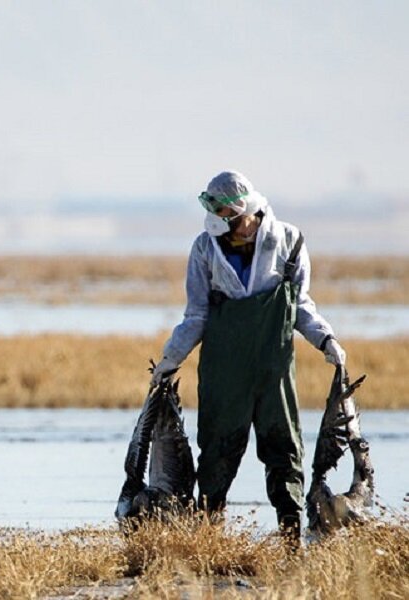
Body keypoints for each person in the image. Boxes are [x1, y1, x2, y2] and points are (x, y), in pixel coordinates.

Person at [150, 171, 346, 540]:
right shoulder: (206, 248)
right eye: (223, 222)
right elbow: (196, 316)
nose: (232, 230)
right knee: (215, 456)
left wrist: (325, 340)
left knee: (284, 451)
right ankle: (208, 542)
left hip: (274, 373)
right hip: (223, 375)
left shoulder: (289, 241)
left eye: (235, 220)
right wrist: (169, 360)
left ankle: (291, 540)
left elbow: (300, 306)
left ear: (251, 209)